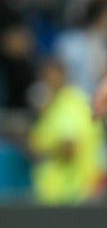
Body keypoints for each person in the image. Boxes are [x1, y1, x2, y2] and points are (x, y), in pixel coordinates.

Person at [29, 57, 104, 204]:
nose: (47, 81)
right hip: (64, 198)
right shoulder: (60, 103)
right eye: (44, 77)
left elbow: (69, 148)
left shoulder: (68, 104)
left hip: (70, 195)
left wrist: (38, 151)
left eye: (51, 75)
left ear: (63, 75)